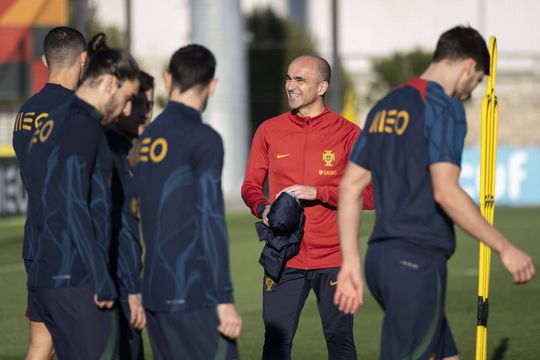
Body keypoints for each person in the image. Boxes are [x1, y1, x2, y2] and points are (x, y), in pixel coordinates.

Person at [335, 26, 535, 360]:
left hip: (380, 262)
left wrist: (351, 263)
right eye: (477, 81)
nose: (471, 91)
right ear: (469, 67)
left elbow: (349, 186)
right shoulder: (444, 107)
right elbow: (445, 191)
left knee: (446, 354)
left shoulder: (386, 104)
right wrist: (504, 247)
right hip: (417, 261)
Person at [241, 54, 375, 359]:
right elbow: (249, 186)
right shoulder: (268, 130)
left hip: (333, 257)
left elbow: (370, 195)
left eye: (299, 79)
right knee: (276, 343)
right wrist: (262, 208)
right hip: (283, 255)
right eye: (288, 79)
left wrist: (319, 191)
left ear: (322, 86)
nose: (290, 86)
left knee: (340, 342)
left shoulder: (349, 134)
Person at [25, 48, 140, 360]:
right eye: (127, 97)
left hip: (44, 272)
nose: (128, 109)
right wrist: (101, 278)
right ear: (109, 85)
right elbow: (74, 200)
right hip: (76, 276)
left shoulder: (50, 123)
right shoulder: (84, 126)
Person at [134, 44, 242, 360]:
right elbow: (211, 217)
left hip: (154, 290)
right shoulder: (204, 138)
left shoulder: (146, 137)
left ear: (168, 80)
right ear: (213, 85)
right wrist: (223, 297)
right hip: (195, 291)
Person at [12, 26, 86, 360]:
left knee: (42, 344)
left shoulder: (24, 113)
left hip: (37, 241)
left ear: (44, 60)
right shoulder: (80, 113)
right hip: (72, 246)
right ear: (83, 60)